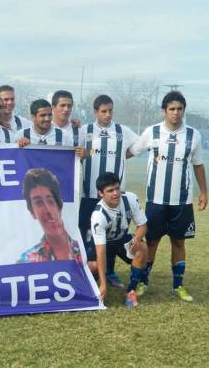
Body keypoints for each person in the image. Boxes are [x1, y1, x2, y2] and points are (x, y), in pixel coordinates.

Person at [129, 91, 207, 302]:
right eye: (172, 109)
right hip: (156, 200)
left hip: (182, 201)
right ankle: (144, 282)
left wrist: (203, 192)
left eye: (179, 109)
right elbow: (131, 151)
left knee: (179, 243)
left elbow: (198, 165)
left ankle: (177, 285)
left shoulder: (193, 135)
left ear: (183, 110)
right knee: (152, 242)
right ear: (164, 110)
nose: (176, 113)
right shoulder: (152, 132)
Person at [78, 94, 139, 289]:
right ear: (95, 112)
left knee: (112, 234)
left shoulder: (122, 131)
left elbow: (137, 147)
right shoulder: (84, 130)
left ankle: (110, 272)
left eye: (110, 110)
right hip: (89, 195)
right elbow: (76, 152)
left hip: (113, 197)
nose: (108, 114)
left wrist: (120, 156)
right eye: (103, 111)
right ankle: (89, 274)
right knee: (88, 235)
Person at [89, 172, 148, 308]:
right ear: (101, 193)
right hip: (105, 243)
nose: (115, 193)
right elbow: (101, 251)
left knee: (142, 248)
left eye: (117, 188)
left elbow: (143, 225)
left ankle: (131, 291)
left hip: (122, 238)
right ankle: (103, 280)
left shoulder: (130, 199)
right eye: (110, 191)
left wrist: (135, 240)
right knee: (92, 266)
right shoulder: (98, 216)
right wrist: (103, 284)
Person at [17, 168, 82, 263]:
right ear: (32, 212)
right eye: (39, 202)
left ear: (59, 206)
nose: (48, 210)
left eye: (50, 201)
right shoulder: (25, 262)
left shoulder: (82, 248)